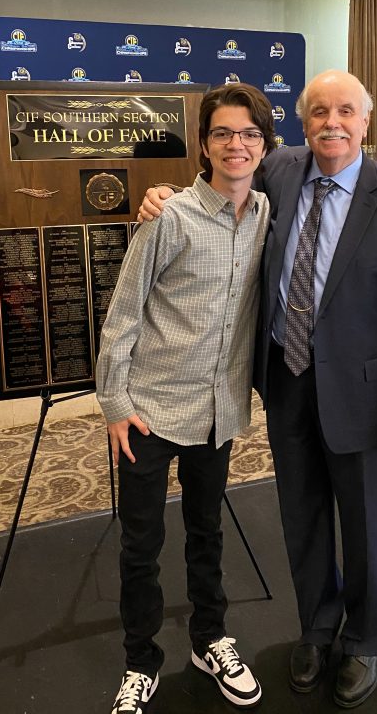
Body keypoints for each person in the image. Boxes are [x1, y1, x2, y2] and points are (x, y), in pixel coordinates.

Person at [141, 69, 377, 709]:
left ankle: (363, 639)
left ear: (366, 120)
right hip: (287, 379)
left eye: (345, 112)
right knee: (301, 516)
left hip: (365, 394)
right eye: (319, 112)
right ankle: (317, 626)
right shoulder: (278, 171)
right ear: (302, 124)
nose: (332, 123)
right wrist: (159, 193)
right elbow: (218, 179)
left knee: (365, 524)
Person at [97, 83, 276, 714]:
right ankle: (140, 662)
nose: (237, 144)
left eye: (249, 133)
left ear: (263, 143)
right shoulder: (168, 216)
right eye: (223, 133)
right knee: (140, 544)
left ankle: (210, 638)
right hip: (148, 411)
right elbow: (122, 315)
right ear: (203, 144)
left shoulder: (264, 215)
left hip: (218, 410)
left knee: (208, 531)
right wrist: (115, 404)